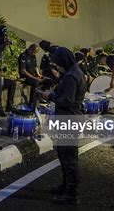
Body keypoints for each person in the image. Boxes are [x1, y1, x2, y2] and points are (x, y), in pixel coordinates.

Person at [41, 47, 86, 205]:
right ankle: (66, 185)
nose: (57, 67)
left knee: (68, 158)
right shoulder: (75, 72)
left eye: (58, 64)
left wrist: (50, 95)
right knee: (65, 154)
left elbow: (66, 100)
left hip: (69, 120)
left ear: (63, 62)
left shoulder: (71, 77)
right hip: (71, 119)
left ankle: (71, 194)